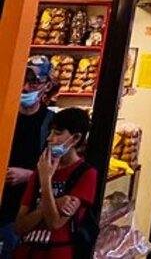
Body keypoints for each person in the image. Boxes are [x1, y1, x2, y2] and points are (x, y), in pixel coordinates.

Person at [13, 107, 97, 259]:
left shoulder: (86, 174)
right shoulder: (41, 168)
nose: (49, 138)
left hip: (58, 252)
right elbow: (19, 226)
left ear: (76, 138)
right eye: (50, 132)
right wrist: (55, 203)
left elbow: (55, 223)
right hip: (27, 251)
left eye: (57, 133)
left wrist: (46, 181)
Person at [1, 57, 56, 259]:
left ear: (47, 85)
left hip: (25, 213)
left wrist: (29, 175)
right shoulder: (5, 114)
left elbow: (58, 169)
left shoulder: (51, 123)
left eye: (33, 82)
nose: (25, 88)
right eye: (23, 79)